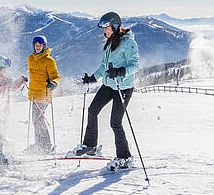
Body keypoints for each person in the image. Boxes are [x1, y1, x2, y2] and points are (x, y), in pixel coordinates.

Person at [71, 12, 139, 170]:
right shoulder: (110, 42)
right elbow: (104, 67)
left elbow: (135, 66)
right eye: (102, 27)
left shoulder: (129, 43)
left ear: (115, 26)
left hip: (123, 87)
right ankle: (90, 146)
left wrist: (121, 71)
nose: (104, 30)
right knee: (92, 110)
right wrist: (92, 78)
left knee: (115, 123)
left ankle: (125, 157)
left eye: (106, 27)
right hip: (109, 84)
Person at [26, 35, 61, 153]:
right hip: (33, 94)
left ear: (44, 46)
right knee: (36, 120)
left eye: (40, 45)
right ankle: (39, 144)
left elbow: (56, 76)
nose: (37, 47)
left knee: (38, 119)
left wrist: (54, 83)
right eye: (36, 45)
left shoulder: (49, 61)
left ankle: (45, 146)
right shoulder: (30, 58)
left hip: (44, 93)